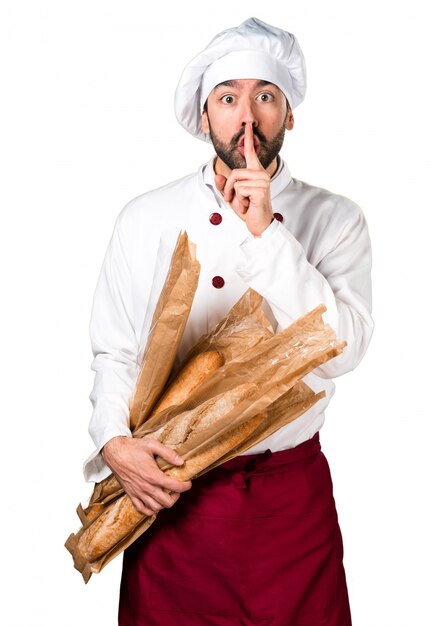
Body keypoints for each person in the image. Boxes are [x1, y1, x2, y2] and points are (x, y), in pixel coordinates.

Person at [84, 17, 373, 626]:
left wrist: (267, 233)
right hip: (173, 497)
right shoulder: (145, 217)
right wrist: (115, 442)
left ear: (289, 114)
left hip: (288, 501)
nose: (247, 117)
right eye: (228, 97)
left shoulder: (335, 219)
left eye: (265, 96)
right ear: (204, 116)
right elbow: (114, 353)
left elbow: (343, 351)